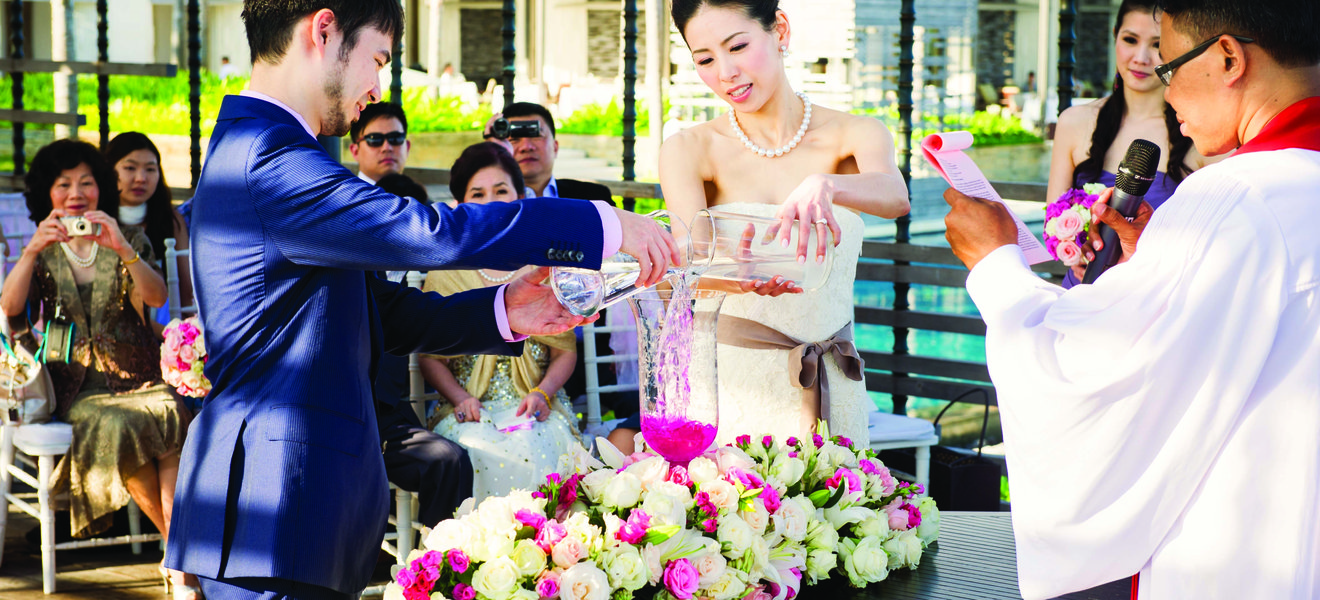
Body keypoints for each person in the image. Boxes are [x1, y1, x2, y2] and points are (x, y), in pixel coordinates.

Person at [162, 2, 678, 599]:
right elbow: (430, 232)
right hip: (274, 505)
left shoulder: (260, 149)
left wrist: (504, 310)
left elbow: (375, 310)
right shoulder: (270, 159)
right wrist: (599, 226)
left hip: (292, 512)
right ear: (323, 31)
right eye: (377, 59)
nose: (378, 85)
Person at [941, 0, 1320, 597]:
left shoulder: (1234, 197)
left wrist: (992, 261)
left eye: (1169, 65)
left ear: (1227, 58)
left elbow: (1082, 370)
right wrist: (1154, 264)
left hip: (1238, 557)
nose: (1167, 94)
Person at [660, 0, 909, 444]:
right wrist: (738, 278)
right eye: (705, 59)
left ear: (779, 30)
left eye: (737, 46)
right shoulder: (689, 149)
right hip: (731, 385)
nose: (725, 72)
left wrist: (827, 185)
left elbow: (895, 196)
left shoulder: (855, 134)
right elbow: (687, 269)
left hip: (832, 376)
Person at [0, 139, 197, 597]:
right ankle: (180, 553)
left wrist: (123, 248)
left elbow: (156, 300)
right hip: (77, 386)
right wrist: (30, 252)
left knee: (167, 410)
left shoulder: (125, 239)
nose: (76, 192)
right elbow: (9, 309)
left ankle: (178, 556)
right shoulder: (42, 248)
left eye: (86, 182)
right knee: (115, 422)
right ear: (46, 193)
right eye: (63, 183)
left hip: (138, 373)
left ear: (100, 188)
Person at [419, 142, 584, 500]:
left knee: (544, 444)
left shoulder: (543, 267)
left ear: (521, 197)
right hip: (469, 408)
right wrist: (461, 399)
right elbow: (430, 357)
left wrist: (543, 392)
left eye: (501, 191)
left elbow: (564, 350)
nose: (491, 201)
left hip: (535, 404)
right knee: (476, 449)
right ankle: (483, 555)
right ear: (459, 205)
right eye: (477, 193)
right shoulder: (447, 273)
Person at [1047, 0, 1213, 287]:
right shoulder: (1074, 122)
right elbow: (1053, 223)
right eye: (1130, 40)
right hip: (1079, 293)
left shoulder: (1199, 133)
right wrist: (1076, 253)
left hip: (1149, 303)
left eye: (1157, 45)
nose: (1140, 58)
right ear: (1115, 37)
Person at [104, 132, 193, 322]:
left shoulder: (170, 220)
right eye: (130, 168)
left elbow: (187, 292)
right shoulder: (97, 221)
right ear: (109, 169)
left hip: (166, 331)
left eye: (150, 169)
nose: (141, 178)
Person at [483, 102, 615, 203]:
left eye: (536, 136)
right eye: (514, 139)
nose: (526, 147)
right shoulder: (489, 200)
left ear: (555, 147)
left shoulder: (594, 199)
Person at [349, 101, 410, 185]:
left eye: (395, 138)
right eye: (375, 140)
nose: (387, 148)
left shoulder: (419, 197)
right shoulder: (342, 197)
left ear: (407, 147)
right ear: (355, 151)